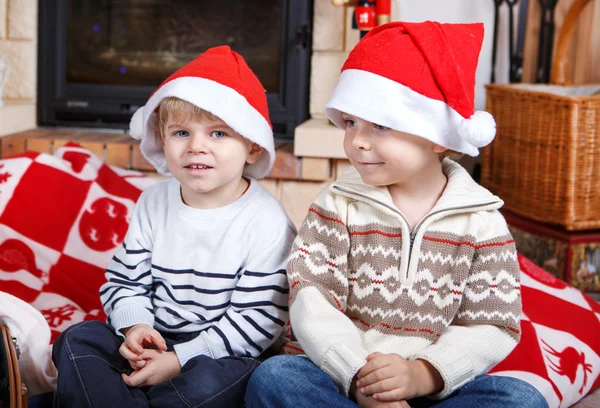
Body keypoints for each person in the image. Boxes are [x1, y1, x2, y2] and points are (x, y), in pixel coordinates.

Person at [245, 22, 547, 408]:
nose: (357, 140)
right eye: (350, 122)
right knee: (275, 377)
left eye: (381, 125)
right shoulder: (338, 204)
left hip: (435, 387)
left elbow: (493, 322)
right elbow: (312, 297)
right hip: (342, 380)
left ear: (438, 136)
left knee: (521, 399)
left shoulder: (482, 221)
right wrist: (360, 379)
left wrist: (423, 375)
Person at [52, 45, 296, 408]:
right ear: (162, 140)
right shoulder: (153, 202)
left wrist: (179, 361)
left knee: (223, 382)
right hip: (156, 335)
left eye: (218, 134)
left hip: (221, 353)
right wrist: (136, 329)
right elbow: (125, 281)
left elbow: (257, 321)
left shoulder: (267, 221)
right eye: (181, 133)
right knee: (76, 340)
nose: (197, 147)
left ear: (253, 148)